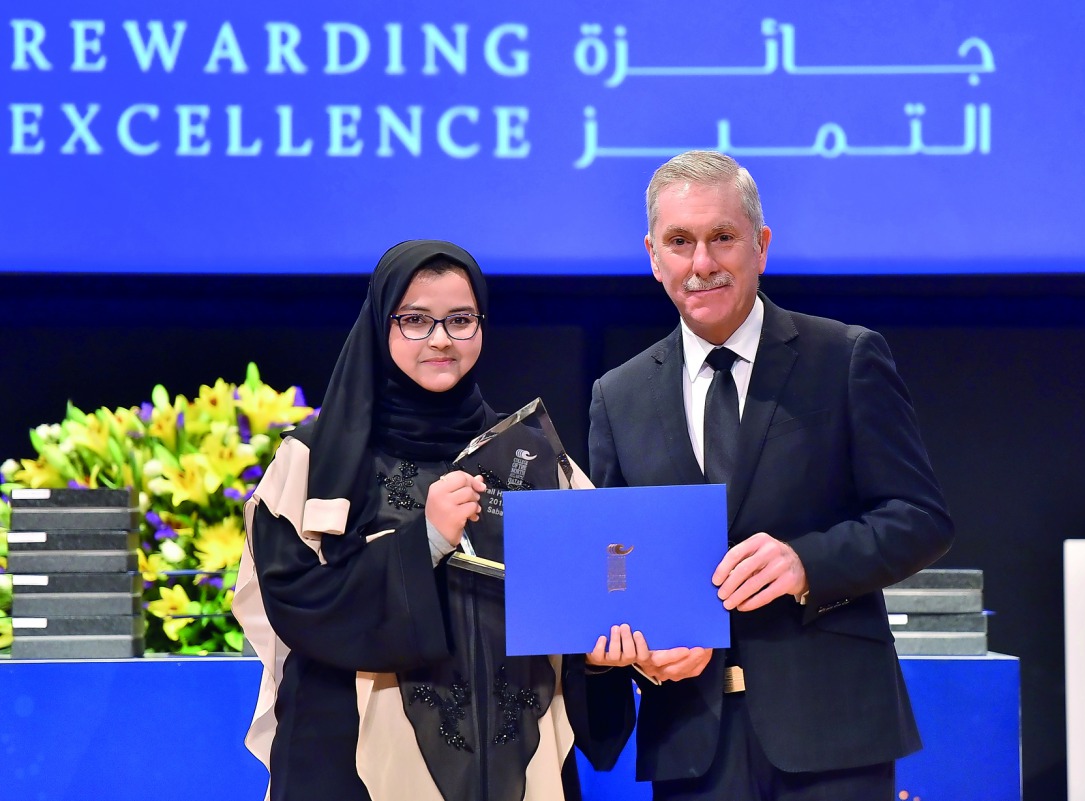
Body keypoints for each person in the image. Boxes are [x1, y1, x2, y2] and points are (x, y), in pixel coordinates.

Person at [565, 152, 954, 800]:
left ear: (761, 244)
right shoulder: (619, 394)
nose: (702, 262)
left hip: (835, 733)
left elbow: (920, 517)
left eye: (722, 236)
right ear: (653, 256)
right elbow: (618, 559)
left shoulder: (845, 357)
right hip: (690, 741)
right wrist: (640, 648)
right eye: (679, 242)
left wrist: (806, 563)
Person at [232, 240, 578, 801]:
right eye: (416, 320)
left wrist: (619, 652)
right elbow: (294, 602)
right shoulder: (317, 459)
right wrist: (426, 541)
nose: (441, 339)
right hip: (354, 760)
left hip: (516, 752)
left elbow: (583, 590)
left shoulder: (529, 455)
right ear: (381, 326)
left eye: (460, 320)